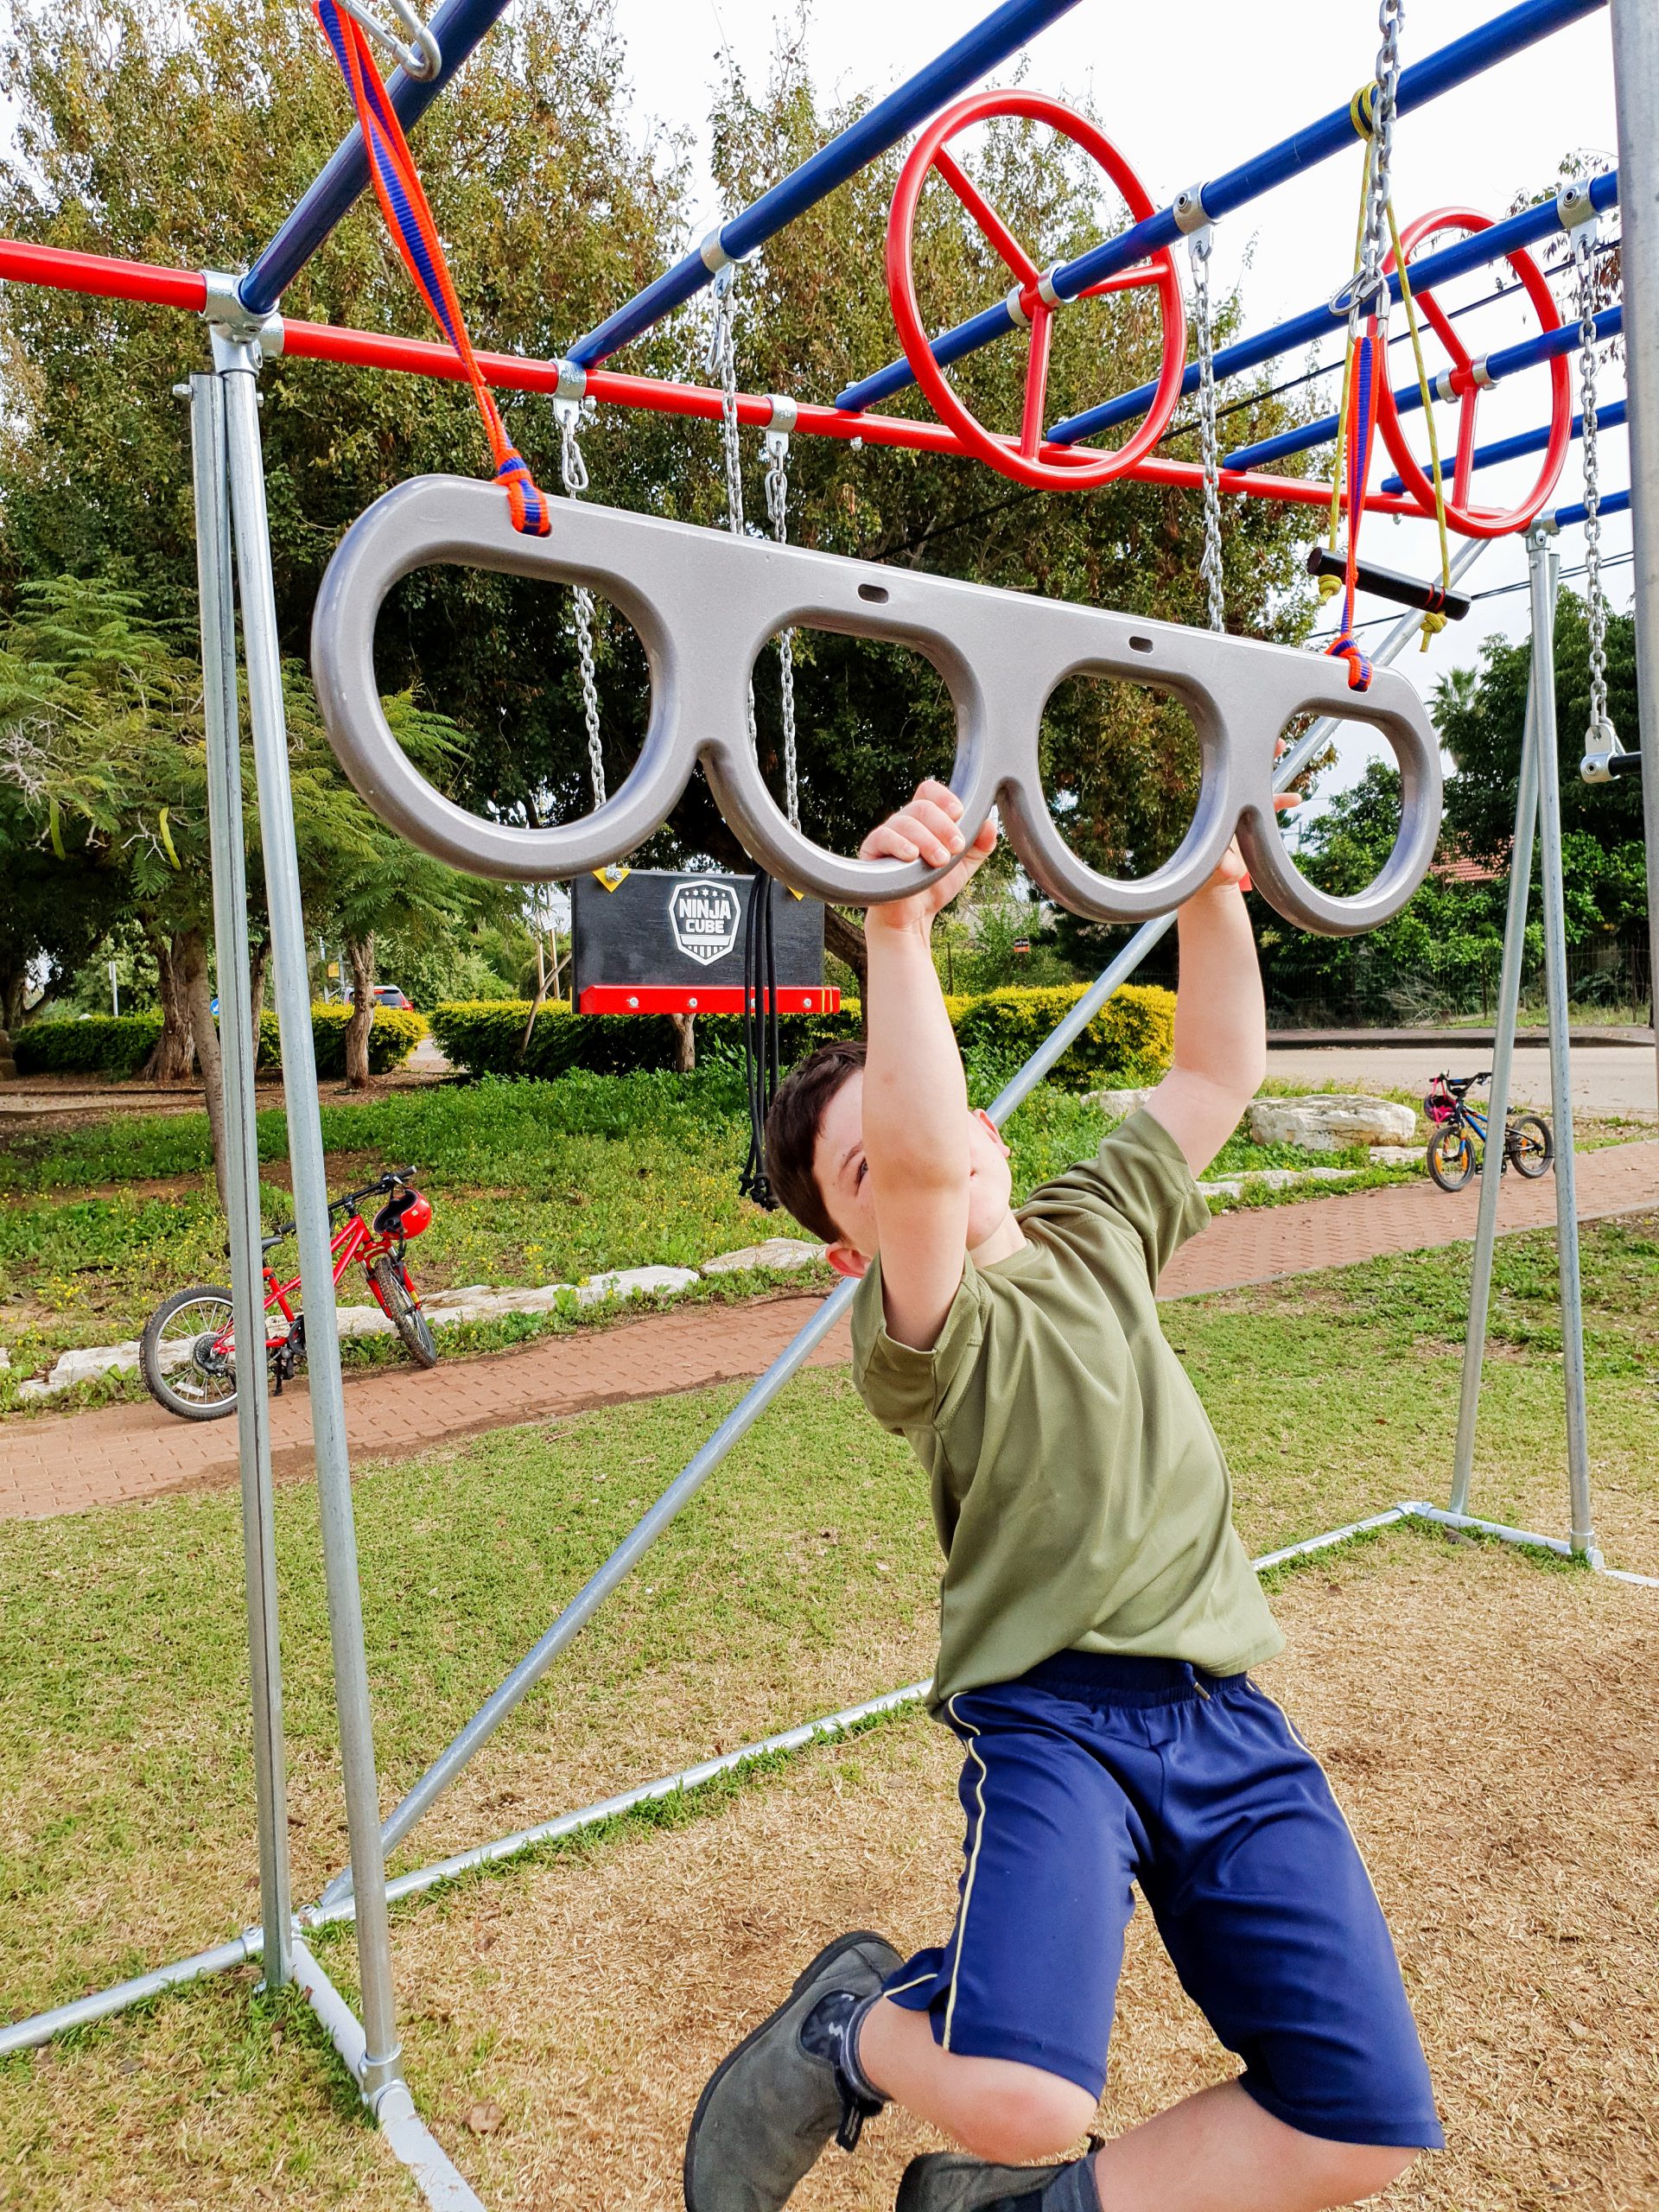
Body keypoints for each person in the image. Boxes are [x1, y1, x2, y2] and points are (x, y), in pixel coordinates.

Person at [683, 781, 1441, 2212]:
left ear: (993, 1125)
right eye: (864, 1167)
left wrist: (1213, 882)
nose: (922, 1151)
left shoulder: (1097, 1226)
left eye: (929, 1119)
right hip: (1056, 1718)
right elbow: (919, 1166)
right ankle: (851, 2027)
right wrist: (898, 934)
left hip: (1227, 1713)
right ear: (853, 1251)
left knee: (1359, 2122)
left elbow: (1214, 1073)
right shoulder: (924, 1328)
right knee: (1029, 2102)